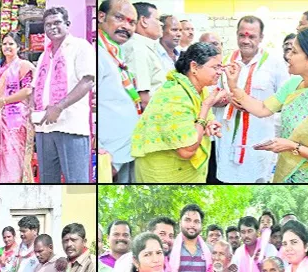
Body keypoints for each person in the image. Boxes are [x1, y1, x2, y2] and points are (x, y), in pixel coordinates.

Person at [226, 27, 308, 183]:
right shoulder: (294, 83)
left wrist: (291, 146)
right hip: (284, 175)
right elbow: (263, 109)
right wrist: (234, 87)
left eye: (294, 52)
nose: (288, 56)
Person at [130, 43, 226, 183]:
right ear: (194, 67)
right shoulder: (175, 95)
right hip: (164, 174)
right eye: (215, 67)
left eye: (220, 67)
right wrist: (205, 107)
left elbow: (204, 120)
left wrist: (210, 124)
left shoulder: (200, 89)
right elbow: (187, 150)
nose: (220, 72)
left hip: (187, 172)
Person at [213, 16, 290, 184]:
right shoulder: (224, 62)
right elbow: (212, 95)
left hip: (258, 139)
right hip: (228, 137)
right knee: (228, 183)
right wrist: (227, 99)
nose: (246, 41)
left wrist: (255, 104)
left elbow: (285, 103)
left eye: (251, 36)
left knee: (259, 181)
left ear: (261, 37)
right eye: (242, 36)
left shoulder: (274, 64)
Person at [33, 7, 96, 184]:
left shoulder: (80, 47)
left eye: (57, 23)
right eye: (47, 25)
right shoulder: (44, 56)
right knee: (47, 184)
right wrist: (31, 111)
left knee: (77, 182)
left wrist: (59, 107)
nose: (52, 28)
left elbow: (88, 81)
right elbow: (34, 87)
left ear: (67, 25)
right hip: (44, 128)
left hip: (71, 127)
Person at [0, 32, 36, 183]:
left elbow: (27, 90)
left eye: (11, 43)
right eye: (4, 44)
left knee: (12, 158)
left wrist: (5, 101)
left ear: (18, 47)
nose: (7, 47)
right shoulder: (1, 68)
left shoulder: (24, 66)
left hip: (15, 122)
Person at [97, 0, 140, 183]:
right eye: (119, 18)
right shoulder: (97, 53)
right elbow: (88, 105)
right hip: (108, 155)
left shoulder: (115, 53)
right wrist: (99, 150)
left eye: (131, 22)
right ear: (101, 17)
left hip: (124, 150)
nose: (126, 26)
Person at [122, 1, 165, 109]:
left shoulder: (144, 47)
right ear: (143, 21)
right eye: (157, 19)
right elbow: (143, 99)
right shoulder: (138, 49)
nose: (161, 24)